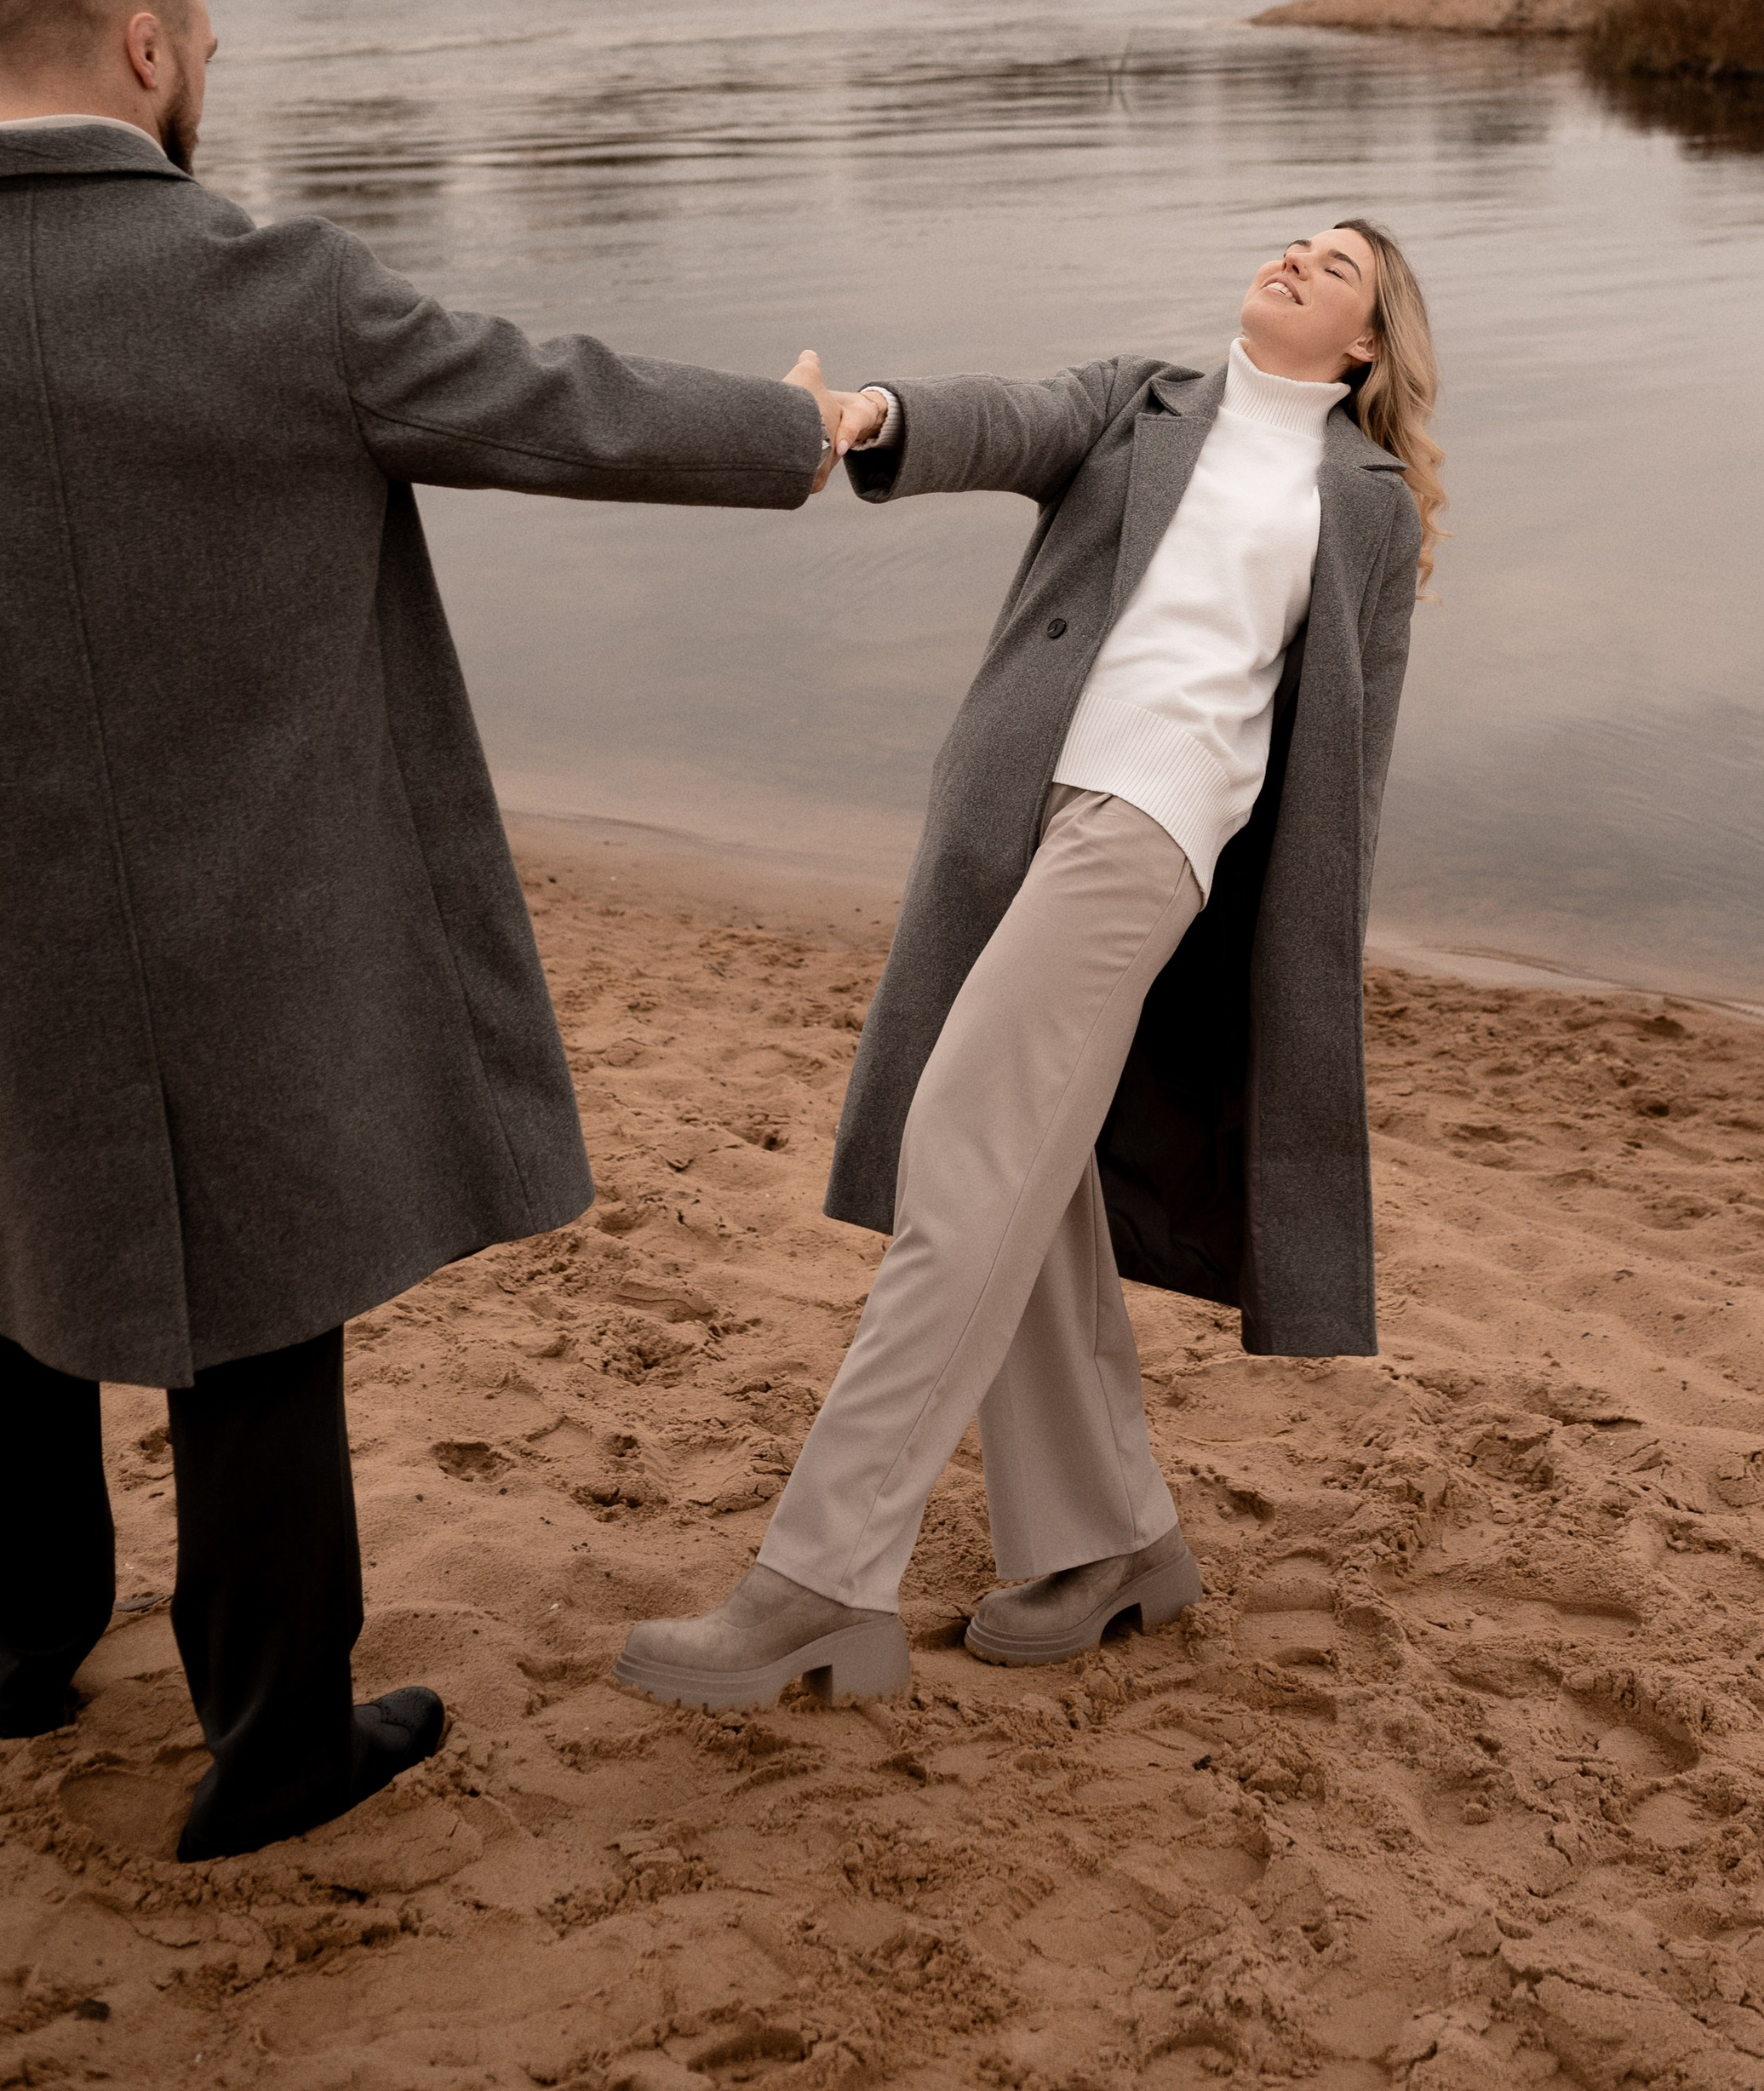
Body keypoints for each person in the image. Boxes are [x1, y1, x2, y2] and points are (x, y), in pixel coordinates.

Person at [0, 0, 859, 1860]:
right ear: (145, 48)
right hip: (226, 916)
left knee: (1, 1249)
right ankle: (271, 1742)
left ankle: (24, 1653)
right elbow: (552, 402)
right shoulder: (270, 287)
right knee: (251, 1316)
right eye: (203, 52)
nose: (206, 81)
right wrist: (795, 432)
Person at [616, 218, 1440, 1710]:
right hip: (1014, 813)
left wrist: (1302, 962)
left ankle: (821, 1577)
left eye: (1341, 266)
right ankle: (1115, 1539)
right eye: (1296, 239)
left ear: (1370, 346)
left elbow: (1352, 765)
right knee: (1027, 1173)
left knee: (965, 1149)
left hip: (1159, 822)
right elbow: (1010, 414)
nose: (1300, 258)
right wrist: (868, 414)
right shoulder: (1145, 400)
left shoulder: (1370, 505)